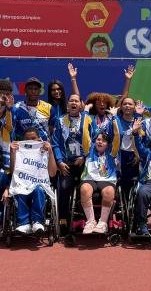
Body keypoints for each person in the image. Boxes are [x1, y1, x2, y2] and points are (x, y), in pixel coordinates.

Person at [51, 94, 93, 235]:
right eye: (71, 101)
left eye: (76, 101)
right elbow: (55, 143)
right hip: (66, 163)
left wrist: (84, 156)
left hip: (84, 164)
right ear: (68, 105)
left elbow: (95, 141)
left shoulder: (88, 120)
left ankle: (87, 220)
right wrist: (59, 161)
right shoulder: (60, 120)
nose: (74, 103)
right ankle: (63, 221)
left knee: (88, 189)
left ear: (81, 105)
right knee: (62, 188)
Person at [8, 128, 58, 235]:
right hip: (24, 184)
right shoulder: (19, 151)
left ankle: (37, 221)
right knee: (19, 189)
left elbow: (53, 173)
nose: (30, 141)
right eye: (27, 139)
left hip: (39, 185)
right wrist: (12, 153)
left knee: (38, 190)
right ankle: (24, 223)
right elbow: (13, 173)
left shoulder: (45, 150)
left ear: (39, 139)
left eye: (33, 138)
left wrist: (50, 152)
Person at [78, 131, 120, 235]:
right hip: (89, 178)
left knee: (109, 191)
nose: (100, 142)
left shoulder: (112, 151)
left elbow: (117, 136)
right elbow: (85, 135)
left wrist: (114, 118)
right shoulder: (89, 148)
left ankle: (102, 223)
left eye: (104, 141)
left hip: (107, 180)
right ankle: (91, 221)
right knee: (85, 189)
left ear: (108, 144)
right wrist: (85, 114)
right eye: (98, 139)